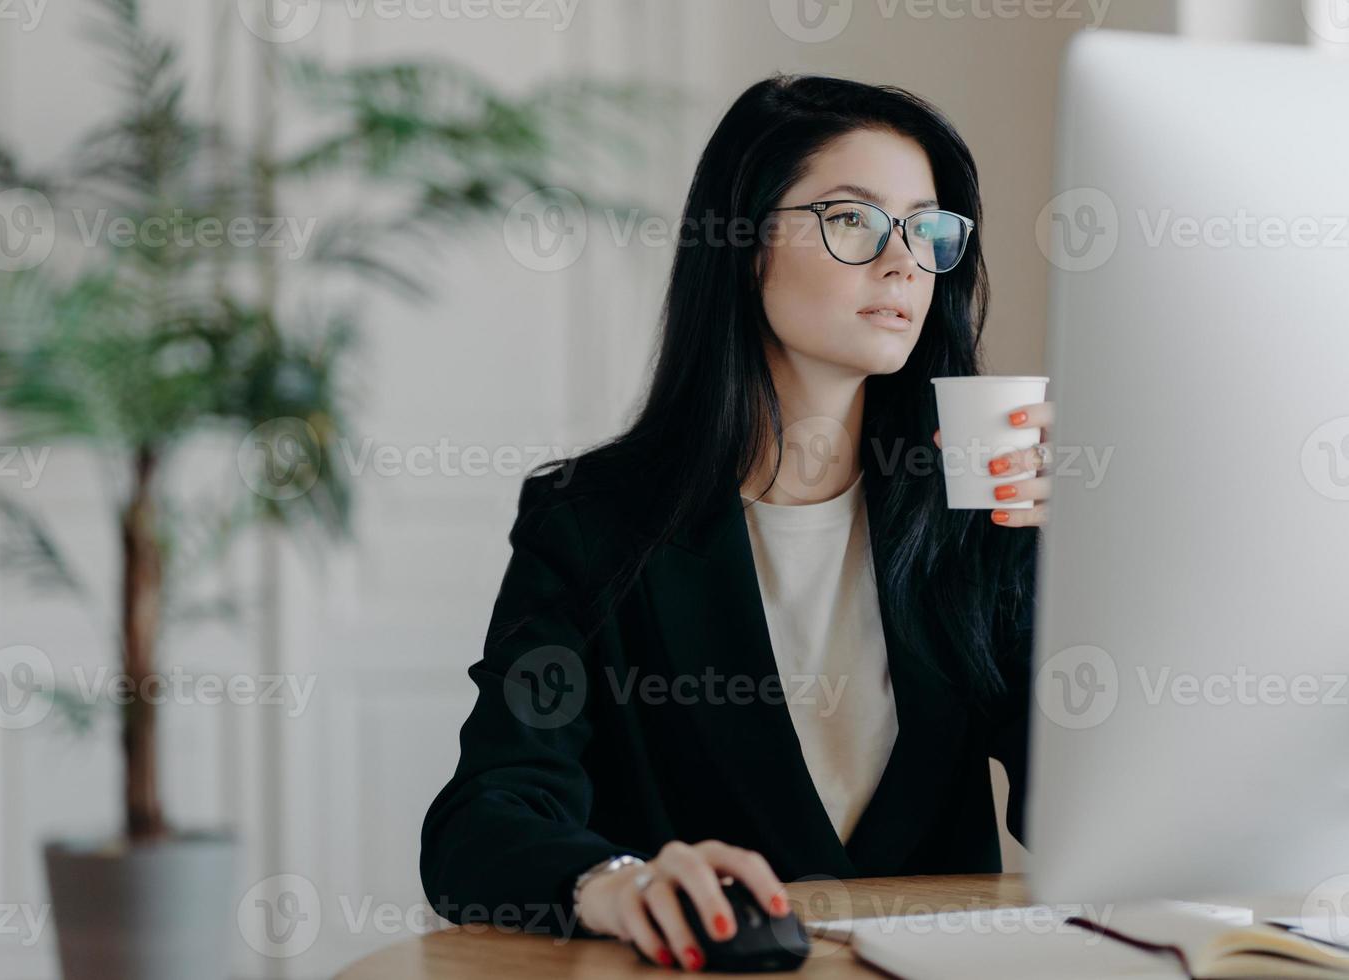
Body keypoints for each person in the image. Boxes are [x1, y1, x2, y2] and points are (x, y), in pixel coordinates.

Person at [420, 73, 1051, 972]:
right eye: (854, 220)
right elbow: (482, 819)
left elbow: (1078, 806)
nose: (905, 261)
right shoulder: (593, 526)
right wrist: (617, 882)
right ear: (744, 241)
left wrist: (1091, 568)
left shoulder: (977, 513)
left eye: (927, 227)